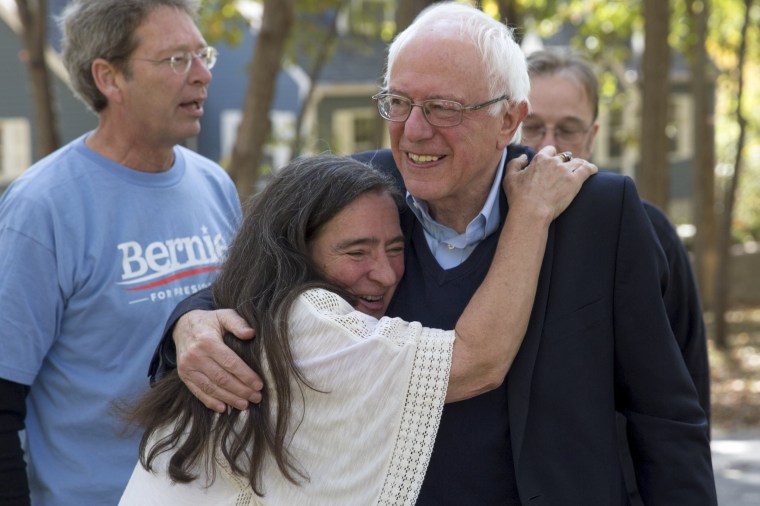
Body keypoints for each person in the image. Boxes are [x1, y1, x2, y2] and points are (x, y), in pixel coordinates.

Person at [151, 3, 717, 504]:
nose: (414, 131)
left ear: (509, 119)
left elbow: (663, 415)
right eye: (398, 102)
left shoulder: (596, 210)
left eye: (444, 107)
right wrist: (191, 321)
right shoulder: (355, 191)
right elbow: (253, 278)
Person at [119, 153, 591, 504]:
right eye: (357, 252)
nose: (384, 274)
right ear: (294, 251)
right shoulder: (308, 320)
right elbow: (478, 362)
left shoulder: (255, 309)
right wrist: (532, 212)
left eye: (394, 247)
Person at [0, 0, 241, 504]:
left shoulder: (214, 185)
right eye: (177, 59)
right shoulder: (42, 209)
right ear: (109, 78)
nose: (202, 76)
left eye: (203, 55)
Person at [522, 46, 712, 506]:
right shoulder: (478, 230)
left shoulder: (649, 232)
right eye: (532, 126)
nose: (547, 145)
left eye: (566, 129)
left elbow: (683, 390)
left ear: (592, 135)